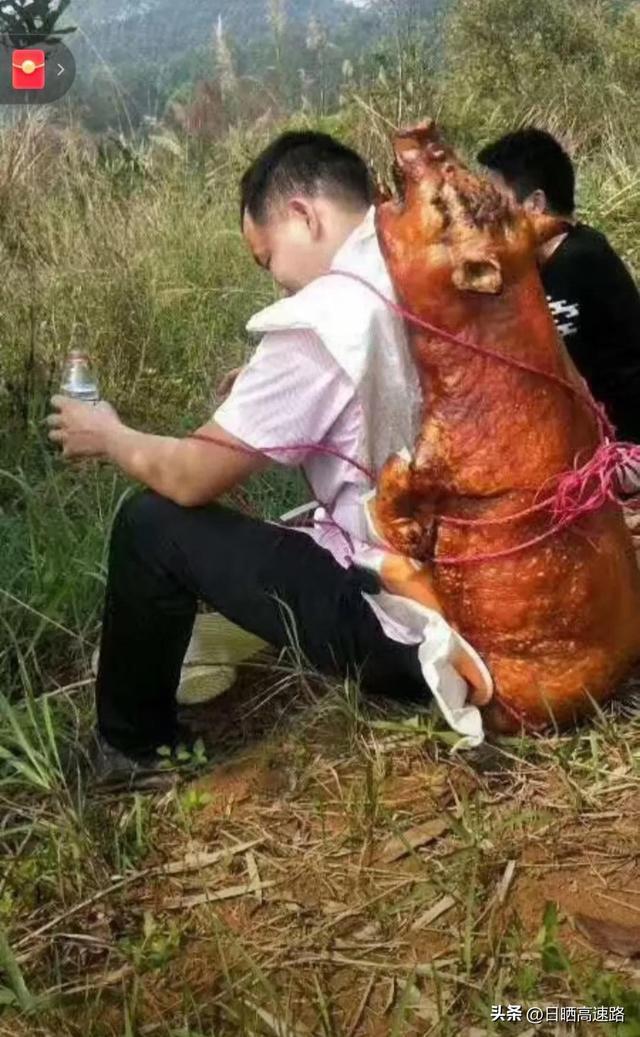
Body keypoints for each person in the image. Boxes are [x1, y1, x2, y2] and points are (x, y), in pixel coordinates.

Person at [48, 132, 489, 785]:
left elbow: (190, 475)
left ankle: (131, 747)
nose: (277, 283)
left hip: (414, 628)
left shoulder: (325, 316)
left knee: (152, 526)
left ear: (304, 216)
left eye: (267, 259)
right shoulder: (434, 257)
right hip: (504, 592)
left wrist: (107, 433)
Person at [478, 127, 640, 444]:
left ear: (535, 204)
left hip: (624, 445)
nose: (487, 214)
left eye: (496, 200)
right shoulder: (533, 265)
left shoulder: (582, 258)